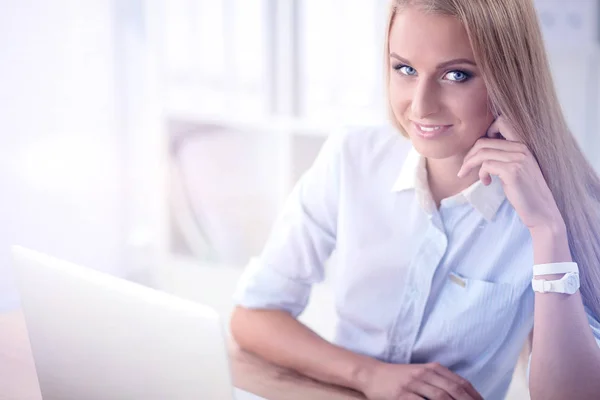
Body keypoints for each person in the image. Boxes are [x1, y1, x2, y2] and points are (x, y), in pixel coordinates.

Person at [230, 0, 600, 399]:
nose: (421, 105)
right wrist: (370, 376)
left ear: (510, 77)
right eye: (404, 69)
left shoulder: (563, 204)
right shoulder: (353, 158)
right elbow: (252, 315)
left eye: (456, 75)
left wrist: (546, 231)